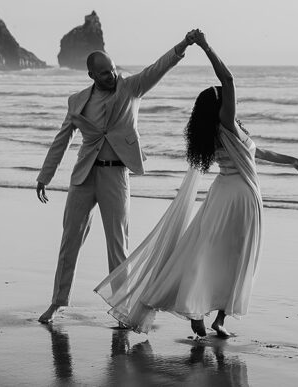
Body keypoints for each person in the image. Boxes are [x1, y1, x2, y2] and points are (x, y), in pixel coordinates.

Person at [95, 29, 298, 338]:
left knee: (210, 252)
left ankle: (211, 317)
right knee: (233, 256)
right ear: (220, 106)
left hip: (229, 194)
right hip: (240, 197)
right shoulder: (226, 123)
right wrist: (207, 47)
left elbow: (259, 151)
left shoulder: (226, 131)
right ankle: (206, 315)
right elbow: (229, 80)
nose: (231, 101)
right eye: (226, 101)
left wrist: (291, 160)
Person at [36, 30, 199, 324]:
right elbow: (62, 139)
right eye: (103, 73)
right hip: (83, 177)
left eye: (112, 70)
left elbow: (157, 68)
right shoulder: (77, 101)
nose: (110, 76)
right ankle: (57, 302)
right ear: (91, 75)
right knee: (70, 239)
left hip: (116, 175)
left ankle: (123, 309)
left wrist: (183, 45)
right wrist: (44, 176)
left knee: (118, 245)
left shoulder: (130, 88)